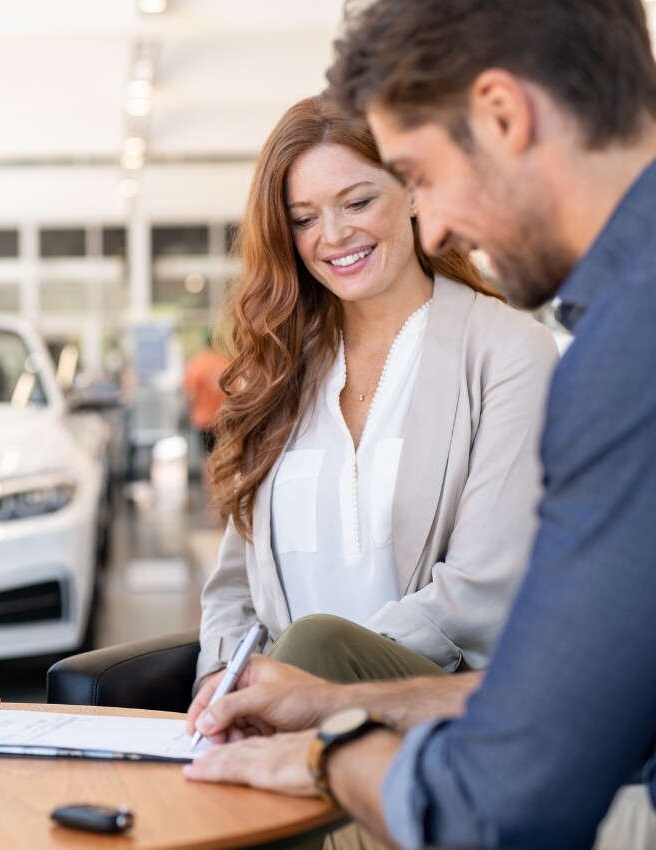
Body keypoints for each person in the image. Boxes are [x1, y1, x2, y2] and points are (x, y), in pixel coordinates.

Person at [183, 2, 656, 850]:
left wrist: (329, 740)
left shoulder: (601, 355)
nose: (434, 227)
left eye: (414, 178)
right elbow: (554, 698)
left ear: (505, 115)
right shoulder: (619, 327)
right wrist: (295, 699)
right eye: (303, 216)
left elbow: (512, 783)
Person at [195, 94, 557, 694]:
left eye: (358, 201)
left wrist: (309, 682)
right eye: (304, 218)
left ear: (414, 191)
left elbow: (481, 593)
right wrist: (220, 677)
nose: (333, 236)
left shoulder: (508, 352)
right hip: (279, 709)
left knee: (316, 641)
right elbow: (235, 584)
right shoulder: (282, 368)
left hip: (429, 706)